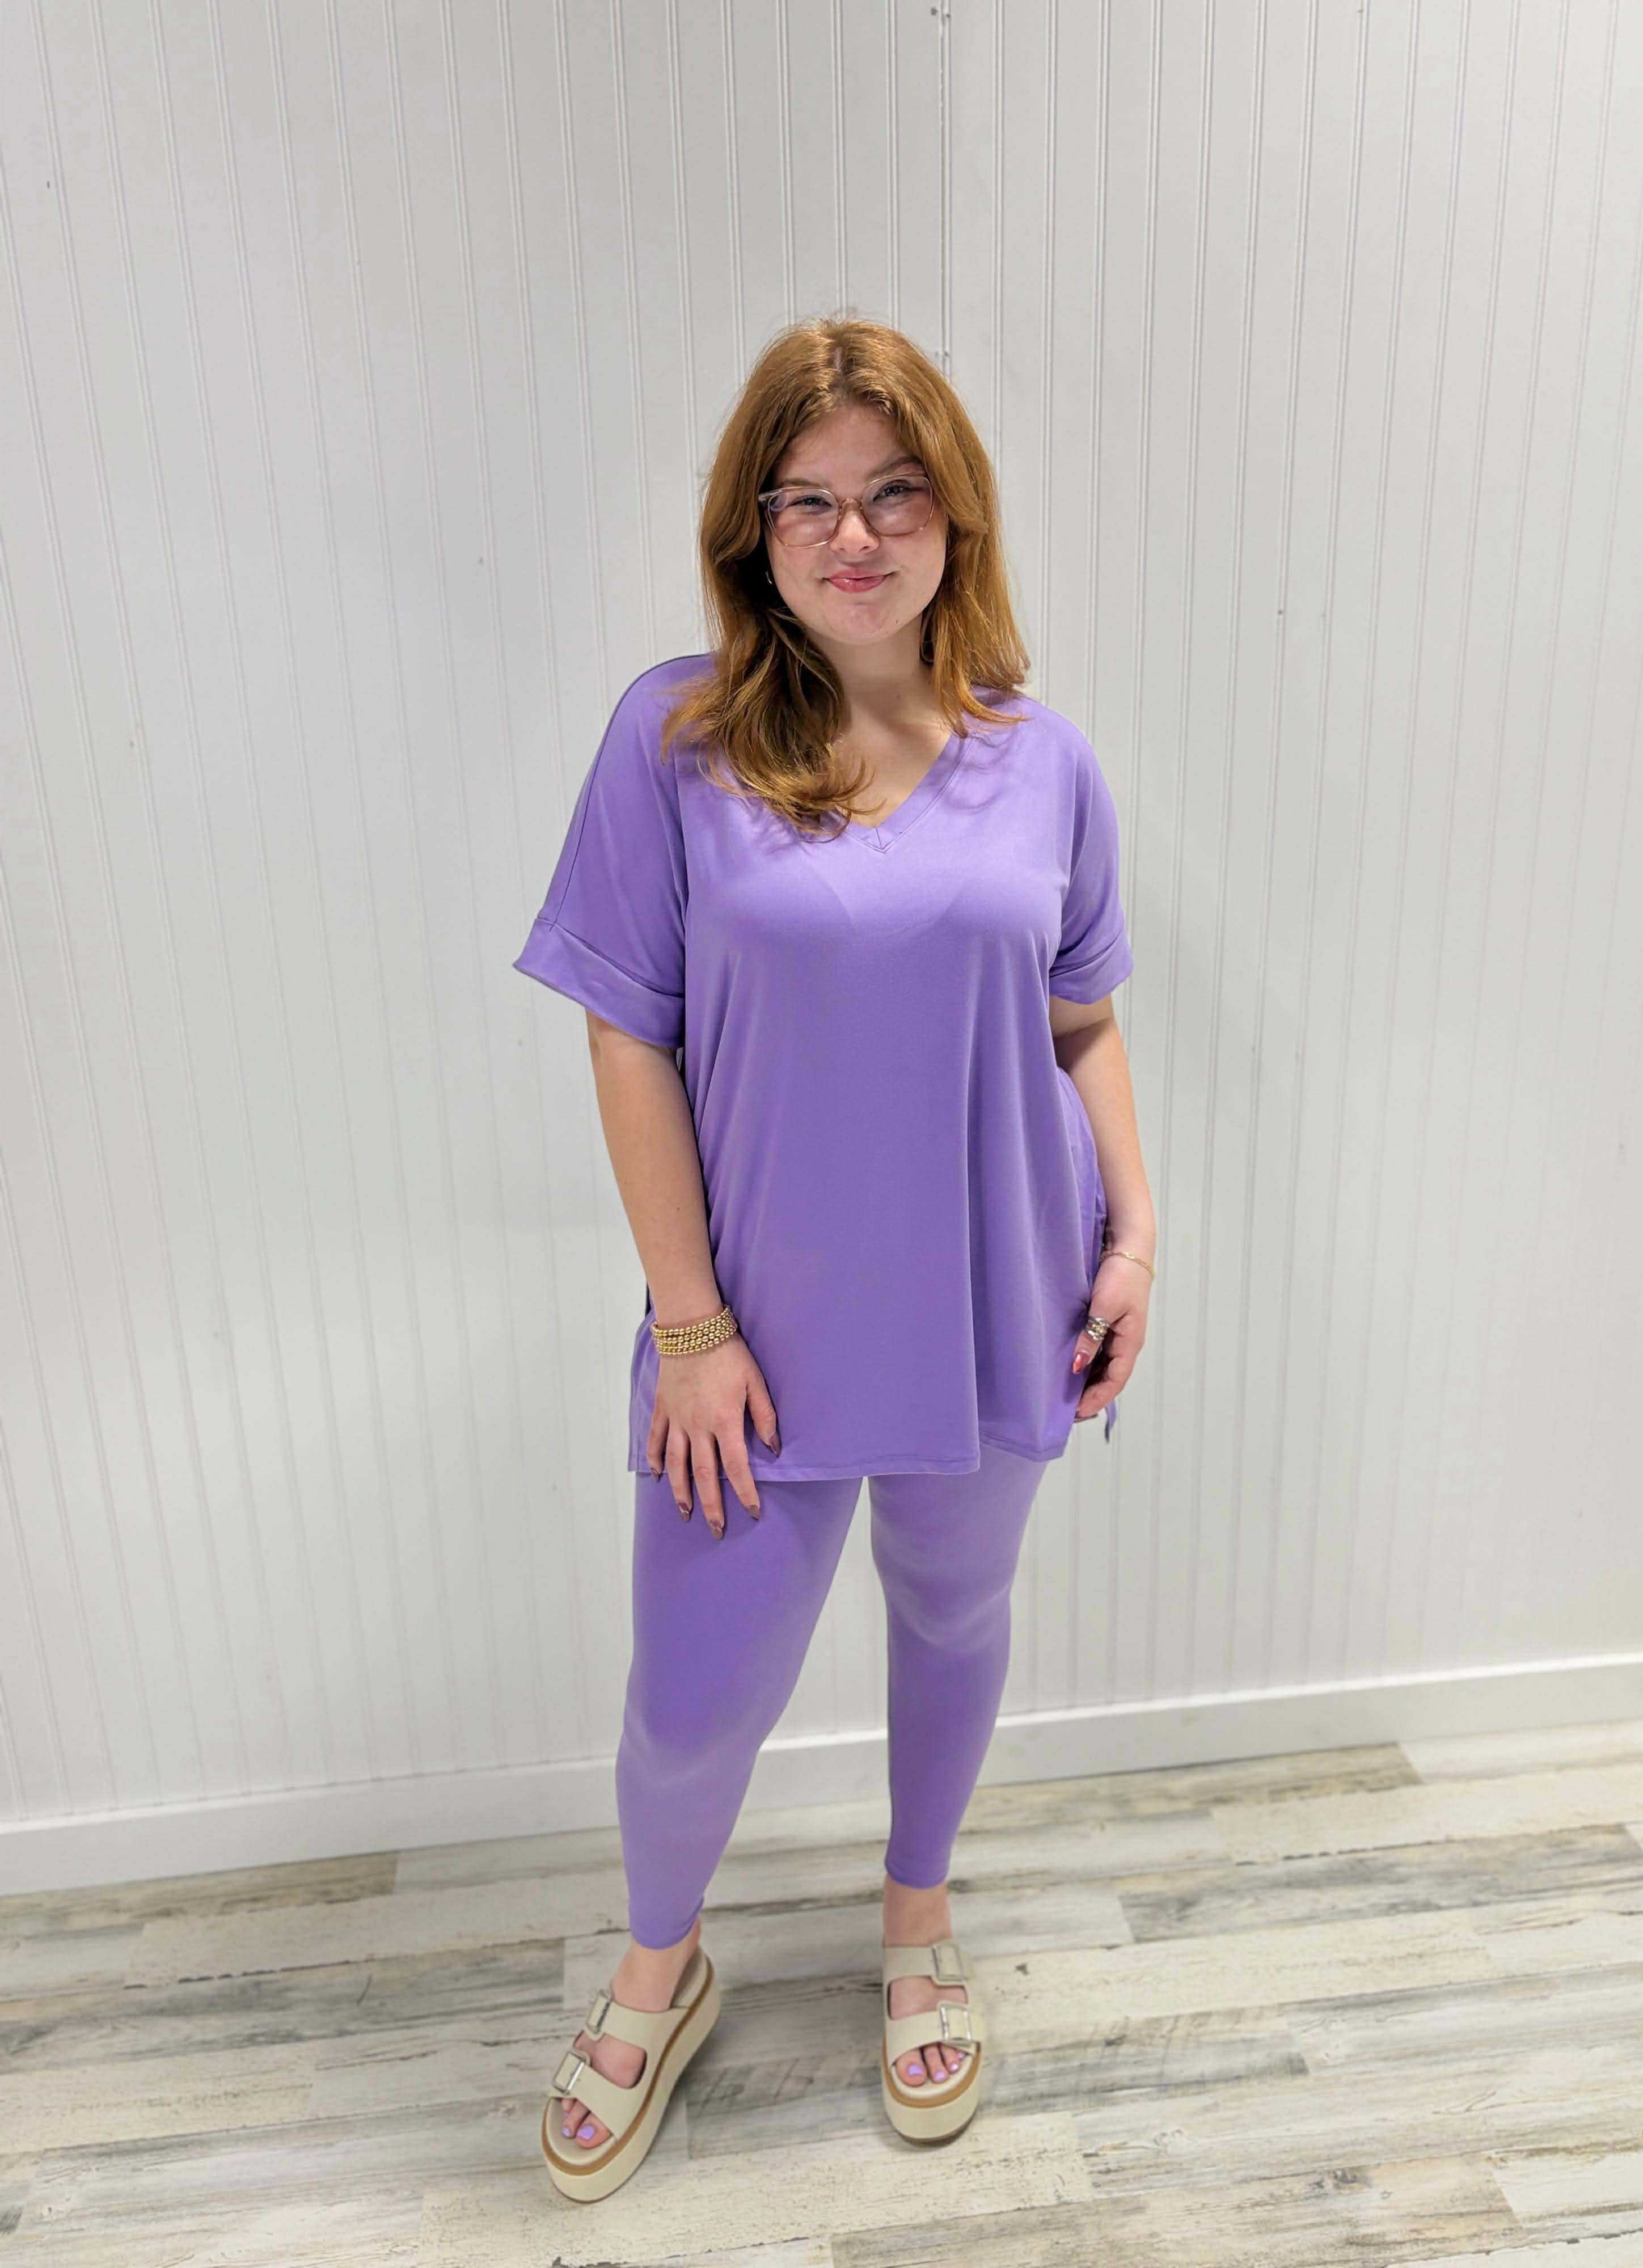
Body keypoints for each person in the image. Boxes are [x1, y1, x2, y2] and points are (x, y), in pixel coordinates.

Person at [512, 316, 1158, 2201]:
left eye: (892, 493)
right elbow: (626, 1033)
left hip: (1000, 1297)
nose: (853, 535)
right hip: (755, 1335)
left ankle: (917, 1918)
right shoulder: (675, 741)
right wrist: (687, 1326)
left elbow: (1084, 1024)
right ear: (754, 530)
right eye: (807, 500)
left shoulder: (1045, 763)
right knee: (694, 1693)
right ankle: (662, 1965)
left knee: (954, 1618)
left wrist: (1134, 1235)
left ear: (956, 514)